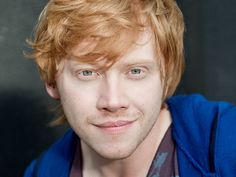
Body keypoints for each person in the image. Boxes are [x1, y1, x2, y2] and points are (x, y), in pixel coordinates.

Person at [24, 0, 236, 176]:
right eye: (87, 73)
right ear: (52, 82)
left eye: (136, 71)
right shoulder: (42, 172)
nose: (113, 101)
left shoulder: (227, 141)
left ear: (167, 74)